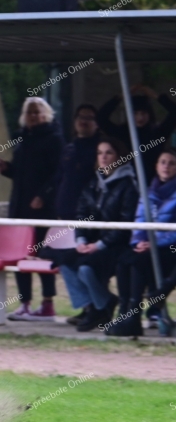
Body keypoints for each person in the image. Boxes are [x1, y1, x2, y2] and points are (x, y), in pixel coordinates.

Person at [0, 97, 64, 321]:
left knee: (42, 254)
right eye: (29, 112)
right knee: (19, 254)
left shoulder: (54, 139)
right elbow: (22, 173)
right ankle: (24, 303)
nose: (33, 116)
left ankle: (47, 304)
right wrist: (7, 169)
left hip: (43, 208)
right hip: (20, 204)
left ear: (46, 113)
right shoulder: (22, 138)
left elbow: (58, 174)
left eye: (37, 111)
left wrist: (43, 196)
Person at [59, 137, 138, 332]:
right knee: (65, 263)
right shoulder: (93, 182)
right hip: (93, 243)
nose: (103, 157)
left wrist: (100, 244)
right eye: (100, 153)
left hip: (117, 245)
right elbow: (82, 214)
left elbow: (125, 224)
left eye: (108, 152)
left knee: (86, 268)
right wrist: (81, 239)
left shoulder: (128, 185)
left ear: (119, 156)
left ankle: (99, 308)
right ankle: (97, 305)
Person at [107, 148, 176, 336]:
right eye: (163, 162)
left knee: (138, 262)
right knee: (123, 261)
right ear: (156, 166)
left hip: (170, 247)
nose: (166, 167)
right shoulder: (149, 191)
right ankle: (124, 313)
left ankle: (134, 316)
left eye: (171, 163)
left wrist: (155, 243)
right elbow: (140, 219)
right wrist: (138, 240)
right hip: (148, 245)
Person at [97, 85, 176, 183]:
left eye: (143, 113)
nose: (140, 118)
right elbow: (100, 118)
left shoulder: (158, 133)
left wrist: (156, 96)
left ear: (149, 114)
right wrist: (121, 96)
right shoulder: (122, 133)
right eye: (135, 113)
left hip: (154, 185)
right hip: (128, 184)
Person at [52, 104, 102, 221]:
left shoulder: (101, 149)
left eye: (89, 118)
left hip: (88, 213)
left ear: (97, 124)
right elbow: (59, 178)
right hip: (65, 210)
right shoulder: (68, 148)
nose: (84, 121)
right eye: (80, 117)